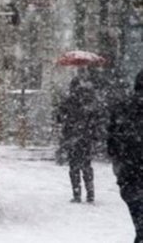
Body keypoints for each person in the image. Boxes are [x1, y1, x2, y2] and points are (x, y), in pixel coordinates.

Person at [56, 68, 100, 203]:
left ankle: (77, 194)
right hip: (86, 137)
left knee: (74, 166)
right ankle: (90, 193)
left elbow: (59, 118)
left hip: (72, 137)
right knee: (86, 165)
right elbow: (95, 118)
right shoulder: (89, 101)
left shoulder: (68, 101)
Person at [108, 69, 143, 242]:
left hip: (130, 172)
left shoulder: (122, 107)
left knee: (139, 222)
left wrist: (118, 164)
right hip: (132, 168)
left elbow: (112, 140)